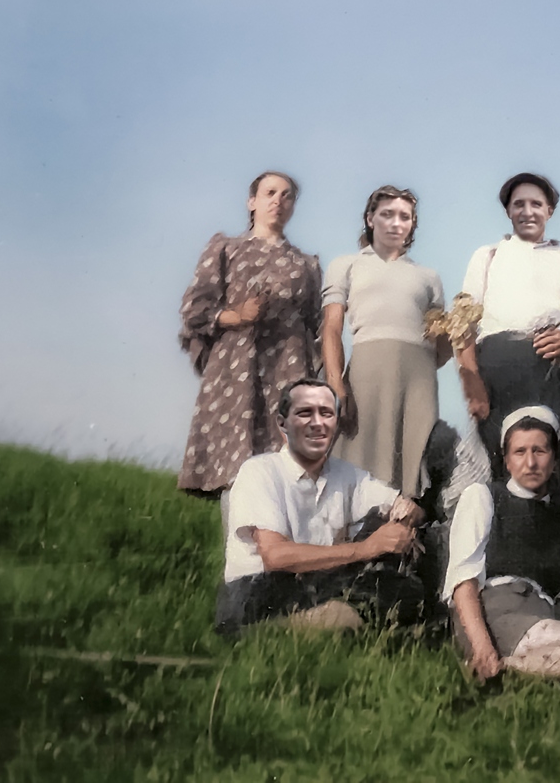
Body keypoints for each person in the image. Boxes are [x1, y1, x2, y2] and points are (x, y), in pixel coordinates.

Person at [216, 379, 426, 637]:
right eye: (305, 413)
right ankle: (283, 629)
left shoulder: (346, 474)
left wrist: (405, 516)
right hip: (258, 589)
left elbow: (406, 506)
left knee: (405, 588)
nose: (317, 424)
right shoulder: (260, 471)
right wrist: (367, 548)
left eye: (326, 414)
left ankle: (336, 623)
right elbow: (275, 556)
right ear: (282, 425)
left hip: (317, 584)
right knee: (362, 591)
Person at [444, 406, 560, 684]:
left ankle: (518, 671)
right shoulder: (484, 497)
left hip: (545, 622)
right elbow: (463, 582)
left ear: (554, 459)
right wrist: (482, 647)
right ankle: (502, 667)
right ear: (507, 461)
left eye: (539, 451)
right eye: (519, 452)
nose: (530, 463)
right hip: (495, 617)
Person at [178, 171, 323, 511]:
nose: (278, 201)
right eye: (270, 193)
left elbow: (314, 325)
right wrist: (236, 315)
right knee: (238, 472)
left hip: (289, 374)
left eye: (287, 195)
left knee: (286, 476)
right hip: (236, 376)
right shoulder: (227, 249)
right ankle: (237, 547)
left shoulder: (305, 264)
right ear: (251, 201)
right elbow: (193, 310)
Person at [455, 173, 560, 465]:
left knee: (553, 459)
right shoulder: (488, 256)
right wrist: (472, 382)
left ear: (549, 211)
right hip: (499, 371)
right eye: (518, 204)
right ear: (508, 211)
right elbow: (462, 325)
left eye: (536, 204)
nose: (527, 212)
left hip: (552, 372)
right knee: (502, 461)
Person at [322, 185, 450, 497]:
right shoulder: (347, 264)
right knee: (357, 457)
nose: (395, 223)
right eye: (387, 214)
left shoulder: (429, 277)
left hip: (418, 378)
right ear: (370, 219)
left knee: (414, 460)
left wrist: (458, 330)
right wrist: (336, 384)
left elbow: (440, 351)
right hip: (367, 369)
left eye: (405, 216)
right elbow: (332, 328)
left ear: (413, 224)